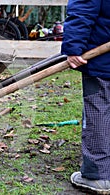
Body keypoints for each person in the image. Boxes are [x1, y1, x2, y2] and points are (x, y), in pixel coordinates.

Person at [61, 0, 110, 194]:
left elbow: (82, 11)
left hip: (102, 62)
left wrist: (73, 48)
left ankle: (97, 175)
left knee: (97, 112)